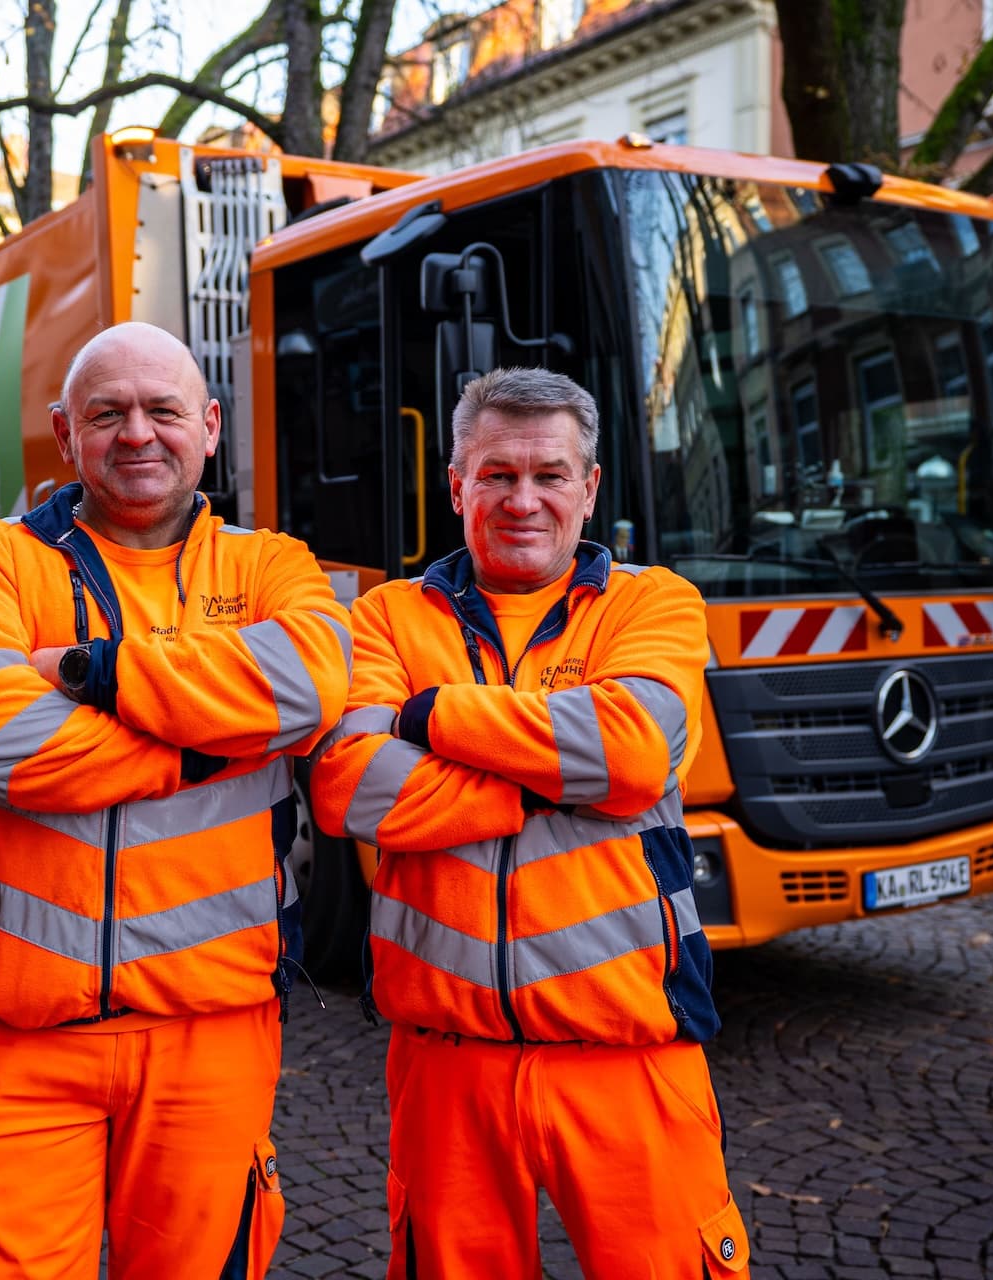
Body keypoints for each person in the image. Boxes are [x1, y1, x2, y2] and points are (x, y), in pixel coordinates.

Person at [0, 321, 352, 1279]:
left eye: (162, 411)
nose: (137, 435)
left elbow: (311, 686)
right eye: (107, 415)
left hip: (211, 1035)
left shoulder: (272, 565)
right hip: (14, 1042)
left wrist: (87, 672)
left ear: (209, 425)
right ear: (65, 435)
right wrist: (213, 747)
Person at [309, 367, 748, 1278]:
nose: (523, 499)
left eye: (551, 475)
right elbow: (350, 788)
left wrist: (430, 718)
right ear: (457, 482)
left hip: (629, 1052)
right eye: (497, 474)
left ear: (589, 489)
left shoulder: (652, 602)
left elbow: (630, 755)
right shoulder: (385, 618)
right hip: (446, 1059)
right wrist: (561, 777)